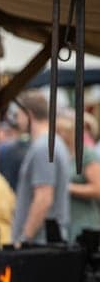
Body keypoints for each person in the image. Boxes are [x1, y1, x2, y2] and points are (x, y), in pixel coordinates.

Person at [11, 89, 70, 246]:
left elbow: (44, 198)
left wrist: (24, 238)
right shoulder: (50, 143)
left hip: (40, 243)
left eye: (18, 114)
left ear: (28, 114)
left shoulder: (44, 147)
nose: (16, 120)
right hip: (45, 242)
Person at [56, 114, 100, 242]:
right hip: (68, 220)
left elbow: (98, 188)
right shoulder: (63, 155)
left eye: (59, 132)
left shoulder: (87, 155)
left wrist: (68, 188)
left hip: (85, 223)